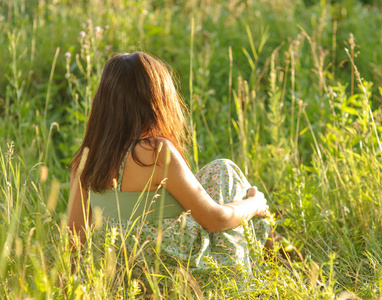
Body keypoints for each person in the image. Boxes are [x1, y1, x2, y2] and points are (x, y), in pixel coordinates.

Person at [67, 52, 272, 292]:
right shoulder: (154, 152)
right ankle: (272, 258)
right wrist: (255, 204)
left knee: (215, 173)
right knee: (225, 170)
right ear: (157, 100)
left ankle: (275, 252)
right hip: (181, 280)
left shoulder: (86, 160)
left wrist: (77, 289)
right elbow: (216, 219)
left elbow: (74, 243)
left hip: (125, 284)